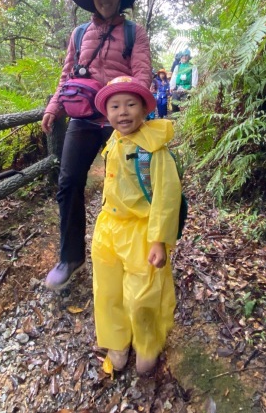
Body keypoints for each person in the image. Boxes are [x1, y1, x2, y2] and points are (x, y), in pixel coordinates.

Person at [41, 0, 152, 290]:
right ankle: (70, 257)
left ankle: (136, 253)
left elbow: (142, 73)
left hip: (121, 116)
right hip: (85, 117)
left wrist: (137, 110)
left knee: (132, 184)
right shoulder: (78, 34)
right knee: (69, 181)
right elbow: (67, 76)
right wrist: (54, 107)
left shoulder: (135, 33)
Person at [91, 76, 182, 375]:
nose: (123, 112)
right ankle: (117, 341)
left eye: (131, 104)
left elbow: (167, 196)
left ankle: (146, 343)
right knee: (107, 290)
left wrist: (159, 240)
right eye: (115, 106)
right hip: (108, 228)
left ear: (145, 109)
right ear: (107, 113)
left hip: (142, 230)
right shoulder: (113, 139)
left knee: (142, 295)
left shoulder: (153, 149)